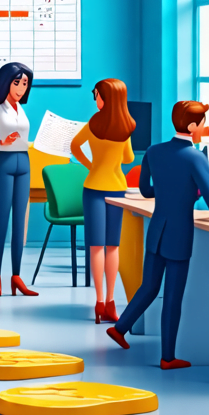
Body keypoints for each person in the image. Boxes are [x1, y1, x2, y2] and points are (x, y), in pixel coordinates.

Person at [106, 100, 209, 369]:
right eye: (203, 123)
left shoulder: (154, 151)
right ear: (192, 126)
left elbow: (146, 191)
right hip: (178, 234)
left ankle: (120, 328)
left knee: (150, 287)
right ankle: (167, 357)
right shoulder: (195, 157)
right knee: (173, 296)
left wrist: (183, 187)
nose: (205, 127)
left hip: (157, 230)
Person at [70, 78, 136, 324]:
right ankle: (110, 301)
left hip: (94, 188)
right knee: (113, 246)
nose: (95, 99)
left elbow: (75, 146)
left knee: (96, 246)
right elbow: (128, 158)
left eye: (96, 94)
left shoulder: (93, 124)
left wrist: (92, 164)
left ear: (105, 97)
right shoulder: (126, 127)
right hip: (117, 189)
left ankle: (98, 301)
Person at [0, 62, 37, 297]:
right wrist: (1, 142)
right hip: (4, 163)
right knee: (1, 221)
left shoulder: (21, 110)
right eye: (17, 83)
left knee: (19, 224)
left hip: (24, 163)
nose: (21, 88)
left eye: (25, 83)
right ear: (5, 82)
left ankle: (16, 276)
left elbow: (24, 137)